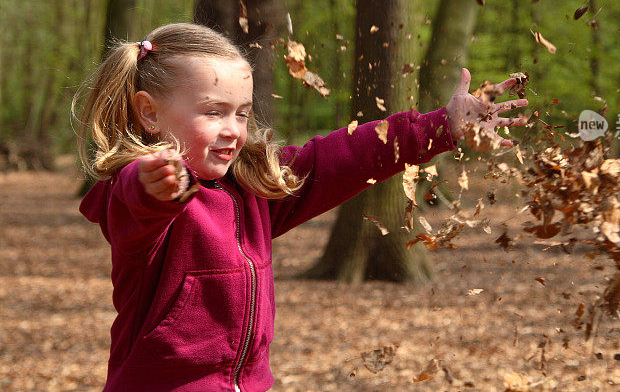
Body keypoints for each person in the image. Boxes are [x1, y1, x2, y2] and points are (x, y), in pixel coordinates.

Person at [75, 22, 528, 391]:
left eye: (243, 113)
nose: (233, 129)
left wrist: (439, 126)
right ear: (149, 114)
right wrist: (153, 184)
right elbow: (134, 207)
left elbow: (340, 160)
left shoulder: (252, 187)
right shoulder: (141, 194)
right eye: (213, 112)